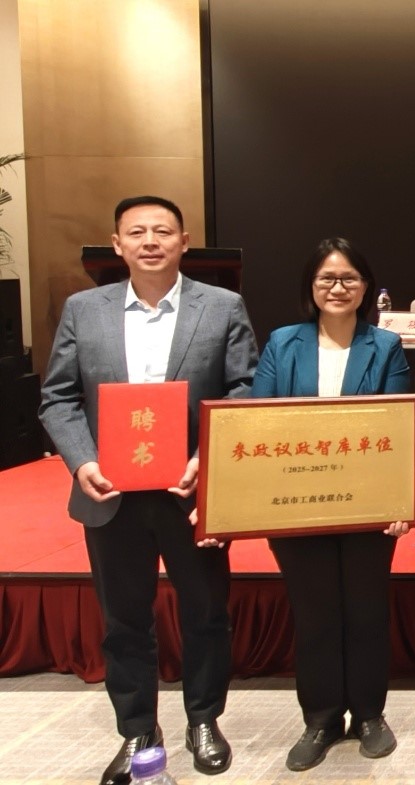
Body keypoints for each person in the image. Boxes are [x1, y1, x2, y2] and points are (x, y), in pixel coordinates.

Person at [39, 196, 258, 784]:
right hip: (110, 494)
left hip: (192, 491)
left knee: (206, 612)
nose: (150, 241)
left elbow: (244, 389)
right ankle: (137, 730)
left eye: (163, 231)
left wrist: (206, 457)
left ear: (184, 241)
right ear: (117, 244)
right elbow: (58, 397)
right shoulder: (84, 309)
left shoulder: (222, 306)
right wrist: (82, 462)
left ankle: (204, 719)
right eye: (137, 232)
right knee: (124, 620)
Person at [251, 238, 415, 771]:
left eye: (349, 278)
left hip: (366, 506)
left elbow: (398, 426)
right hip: (297, 502)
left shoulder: (384, 346)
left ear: (366, 287)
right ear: (311, 286)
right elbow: (258, 419)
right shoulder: (283, 343)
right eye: (327, 278)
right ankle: (321, 718)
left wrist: (399, 500)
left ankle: (369, 714)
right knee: (314, 612)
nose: (338, 287)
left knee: (366, 610)